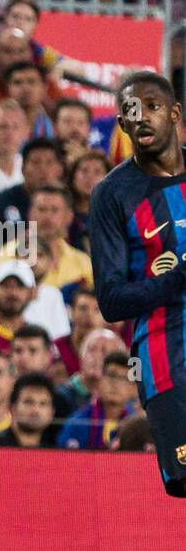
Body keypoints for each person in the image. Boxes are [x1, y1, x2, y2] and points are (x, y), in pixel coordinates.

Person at [89, 71, 186, 496]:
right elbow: (111, 300)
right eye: (130, 110)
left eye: (152, 105)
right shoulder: (112, 195)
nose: (141, 116)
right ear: (122, 125)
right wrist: (179, 279)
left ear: (176, 113)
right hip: (168, 364)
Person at [0, 372, 56, 448]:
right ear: (13, 408)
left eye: (43, 404)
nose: (35, 410)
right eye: (28, 402)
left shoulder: (53, 452)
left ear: (51, 413)